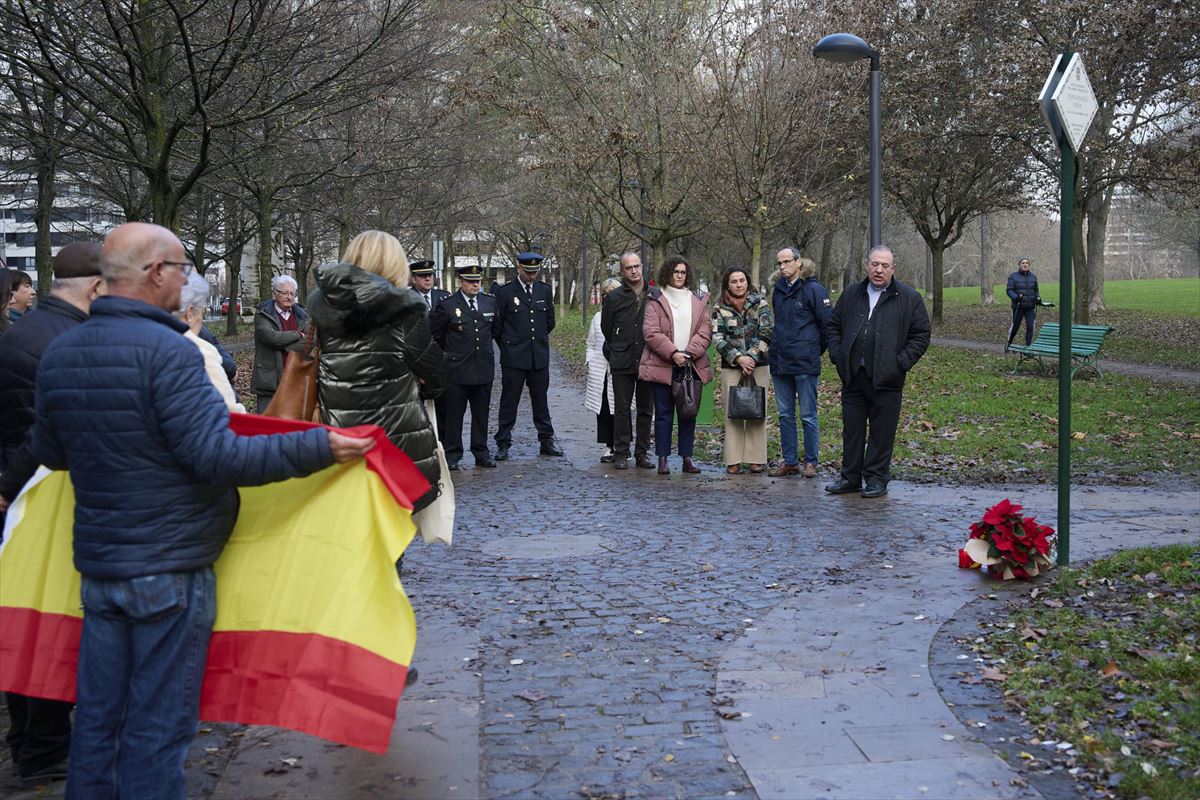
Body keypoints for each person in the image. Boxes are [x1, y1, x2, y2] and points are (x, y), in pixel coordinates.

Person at [29, 221, 374, 799]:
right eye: (185, 268)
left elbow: (50, 453)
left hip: (100, 570)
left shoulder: (63, 351)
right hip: (171, 570)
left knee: (97, 724)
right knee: (158, 731)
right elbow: (217, 455)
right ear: (157, 273)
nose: (190, 280)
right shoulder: (173, 353)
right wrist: (319, 445)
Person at [0, 242, 105, 788]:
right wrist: (7, 488)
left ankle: (33, 741)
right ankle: (39, 746)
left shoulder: (38, 332)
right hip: (41, 497)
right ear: (94, 286)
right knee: (44, 624)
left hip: (40, 493)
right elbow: (37, 434)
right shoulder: (59, 341)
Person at [308, 230, 446, 511]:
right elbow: (437, 374)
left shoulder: (322, 307)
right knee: (390, 531)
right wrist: (418, 383)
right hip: (394, 440)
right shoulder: (404, 310)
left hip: (340, 436)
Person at [825, 245, 930, 498]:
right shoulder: (852, 294)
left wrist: (900, 363)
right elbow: (833, 327)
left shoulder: (908, 297)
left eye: (885, 265)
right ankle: (850, 477)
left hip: (887, 378)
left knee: (882, 433)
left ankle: (876, 479)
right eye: (875, 264)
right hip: (853, 377)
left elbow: (921, 334)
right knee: (852, 431)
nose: (879, 270)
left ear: (893, 269)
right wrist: (839, 357)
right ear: (867, 265)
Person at [639, 255, 713, 475]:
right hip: (663, 364)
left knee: (688, 413)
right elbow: (650, 332)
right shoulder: (656, 300)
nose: (679, 276)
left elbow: (705, 330)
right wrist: (672, 353)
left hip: (691, 365)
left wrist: (689, 353)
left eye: (683, 272)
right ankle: (662, 458)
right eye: (675, 272)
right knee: (663, 413)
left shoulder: (697, 301)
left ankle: (687, 457)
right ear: (668, 274)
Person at [492, 251, 563, 459]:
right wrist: (508, 345)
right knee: (509, 402)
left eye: (535, 271)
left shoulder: (544, 290)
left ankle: (546, 440)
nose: (532, 275)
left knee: (541, 401)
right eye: (528, 271)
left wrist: (537, 341)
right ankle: (503, 442)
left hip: (538, 357)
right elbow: (498, 326)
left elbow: (549, 322)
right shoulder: (505, 292)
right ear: (519, 268)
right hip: (514, 358)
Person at [768, 250, 832, 479]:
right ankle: (790, 461)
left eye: (787, 262)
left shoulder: (814, 290)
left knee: (807, 415)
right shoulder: (778, 290)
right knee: (785, 414)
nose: (783, 266)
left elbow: (827, 326)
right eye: (779, 263)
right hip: (780, 361)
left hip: (805, 362)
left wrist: (813, 350)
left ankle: (811, 461)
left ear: (798, 262)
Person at [430, 264, 499, 470]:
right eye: (470, 281)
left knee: (481, 415)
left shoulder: (489, 303)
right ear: (461, 282)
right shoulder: (448, 305)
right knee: (454, 416)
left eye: (478, 281)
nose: (475, 284)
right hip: (457, 371)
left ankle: (481, 451)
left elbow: (496, 330)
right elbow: (436, 336)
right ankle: (453, 454)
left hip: (482, 369)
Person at [712, 266, 772, 475]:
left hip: (759, 365)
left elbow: (766, 332)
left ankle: (756, 458)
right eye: (734, 281)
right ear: (727, 285)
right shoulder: (719, 307)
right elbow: (717, 337)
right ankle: (733, 459)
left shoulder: (760, 303)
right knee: (733, 412)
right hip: (732, 366)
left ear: (747, 282)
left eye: (741, 280)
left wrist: (752, 358)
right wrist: (738, 358)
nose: (739, 285)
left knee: (757, 410)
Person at [601, 251, 655, 470]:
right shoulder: (614, 298)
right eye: (629, 267)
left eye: (637, 266)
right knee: (622, 409)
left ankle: (642, 453)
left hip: (648, 359)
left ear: (642, 267)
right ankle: (621, 452)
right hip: (622, 359)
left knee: (645, 409)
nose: (634, 271)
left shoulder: (654, 295)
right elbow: (607, 328)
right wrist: (618, 347)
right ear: (622, 271)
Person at [175, 271, 245, 413]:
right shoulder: (200, 354)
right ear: (189, 313)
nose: (202, 319)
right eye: (202, 311)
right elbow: (232, 417)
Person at [251, 274, 309, 411]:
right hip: (269, 379)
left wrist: (282, 344)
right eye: (285, 293)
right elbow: (271, 338)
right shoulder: (263, 314)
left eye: (292, 294)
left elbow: (310, 341)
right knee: (267, 422)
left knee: (295, 423)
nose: (289, 297)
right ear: (274, 294)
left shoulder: (303, 316)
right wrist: (297, 334)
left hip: (296, 377)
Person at [585, 277, 622, 463]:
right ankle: (608, 446)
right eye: (605, 294)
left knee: (621, 409)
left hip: (619, 370)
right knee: (605, 409)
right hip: (601, 371)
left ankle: (622, 446)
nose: (608, 297)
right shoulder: (597, 318)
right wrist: (590, 362)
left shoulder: (624, 315)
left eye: (612, 293)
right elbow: (590, 344)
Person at [1006, 257, 1040, 349]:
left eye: (1027, 263)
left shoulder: (1033, 277)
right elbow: (1009, 290)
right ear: (1019, 265)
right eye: (1023, 263)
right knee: (1015, 327)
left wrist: (1037, 298)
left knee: (1030, 327)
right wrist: (1016, 297)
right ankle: (1008, 344)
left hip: (1030, 307)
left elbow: (1036, 290)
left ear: (1029, 265)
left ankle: (1028, 347)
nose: (1025, 265)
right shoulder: (1013, 276)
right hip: (1018, 307)